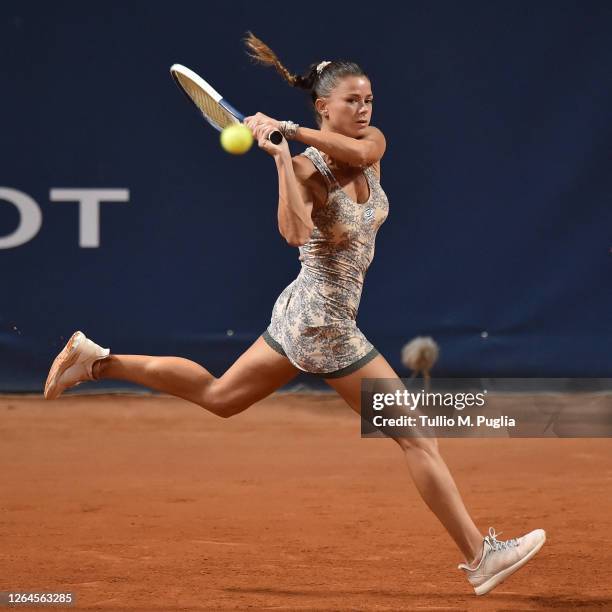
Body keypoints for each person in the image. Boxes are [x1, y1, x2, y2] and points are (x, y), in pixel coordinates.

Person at [43, 32, 546, 596]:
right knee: (417, 436)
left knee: (219, 397)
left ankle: (96, 361)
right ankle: (481, 557)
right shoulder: (308, 170)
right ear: (323, 105)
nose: (363, 110)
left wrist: (290, 130)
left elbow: (360, 154)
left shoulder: (369, 142)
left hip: (302, 311)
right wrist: (284, 161)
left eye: (368, 100)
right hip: (322, 322)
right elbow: (294, 232)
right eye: (351, 101)